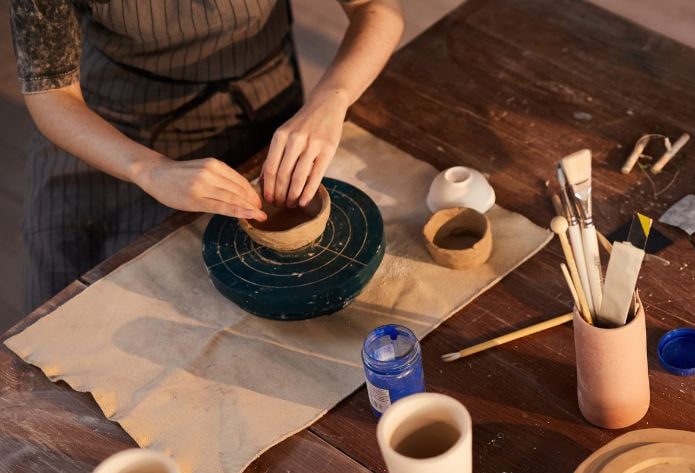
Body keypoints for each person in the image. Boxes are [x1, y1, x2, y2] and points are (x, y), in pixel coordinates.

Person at [10, 0, 405, 307]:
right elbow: (51, 97)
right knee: (67, 311)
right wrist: (148, 169)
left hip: (259, 105)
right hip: (113, 124)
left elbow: (377, 10)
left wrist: (330, 102)